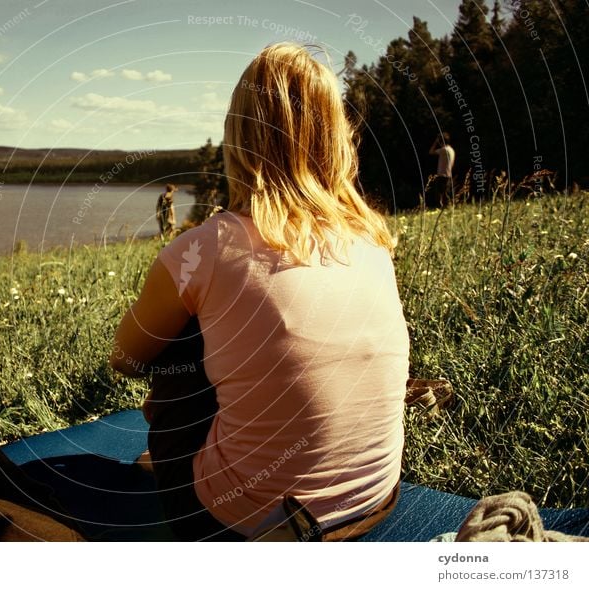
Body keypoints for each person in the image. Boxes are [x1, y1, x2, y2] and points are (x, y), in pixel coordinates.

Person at [110, 43, 410, 541]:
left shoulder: (205, 250)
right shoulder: (372, 240)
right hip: (375, 499)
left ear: (239, 137)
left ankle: (208, 465)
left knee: (184, 335)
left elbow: (126, 357)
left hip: (244, 521)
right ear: (337, 138)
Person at [427, 133, 456, 208]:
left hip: (442, 174)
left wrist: (436, 142)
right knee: (446, 193)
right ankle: (448, 207)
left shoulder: (443, 150)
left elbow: (431, 151)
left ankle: (441, 208)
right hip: (448, 174)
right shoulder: (451, 150)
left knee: (440, 194)